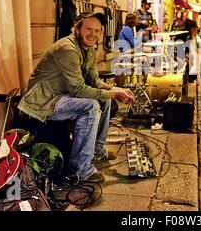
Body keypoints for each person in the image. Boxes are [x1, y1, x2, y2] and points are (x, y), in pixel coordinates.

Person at [18, 12, 135, 184]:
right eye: (89, 29)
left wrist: (115, 88)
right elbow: (78, 89)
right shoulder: (67, 48)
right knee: (90, 106)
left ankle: (97, 150)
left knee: (105, 99)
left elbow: (93, 80)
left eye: (97, 30)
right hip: (42, 103)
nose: (93, 34)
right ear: (77, 28)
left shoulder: (89, 49)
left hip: (61, 95)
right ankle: (81, 167)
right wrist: (113, 92)